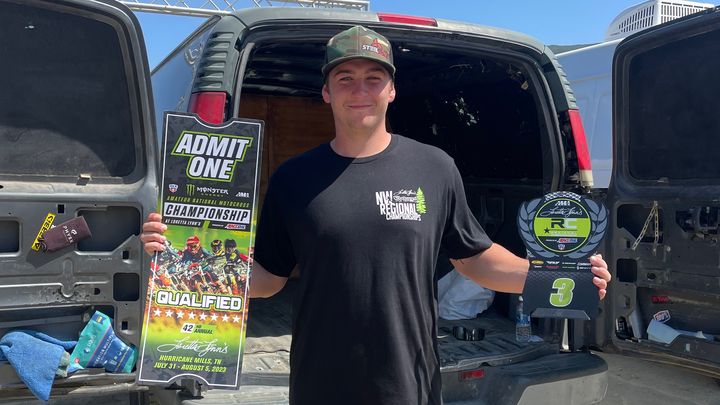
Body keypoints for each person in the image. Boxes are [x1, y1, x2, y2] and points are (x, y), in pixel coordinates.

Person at [141, 25, 611, 405]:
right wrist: (182, 263)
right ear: (326, 93)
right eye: (345, 78)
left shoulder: (434, 167)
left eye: (373, 78)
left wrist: (555, 275)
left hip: (409, 382)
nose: (359, 90)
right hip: (319, 383)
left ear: (391, 90)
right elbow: (268, 279)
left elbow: (475, 259)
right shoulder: (294, 178)